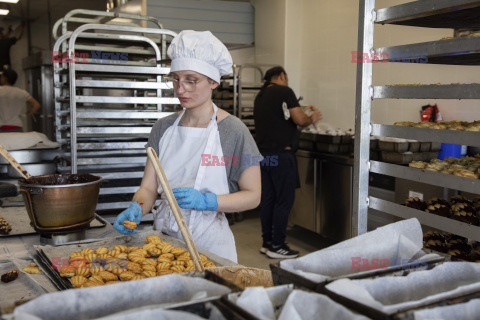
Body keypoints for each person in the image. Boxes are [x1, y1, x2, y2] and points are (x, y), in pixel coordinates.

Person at [113, 30, 262, 263]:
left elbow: (253, 196)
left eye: (191, 80)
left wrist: (208, 202)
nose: (181, 89)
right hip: (164, 240)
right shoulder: (163, 128)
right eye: (176, 79)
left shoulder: (234, 131)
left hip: (212, 244)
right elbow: (149, 189)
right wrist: (137, 207)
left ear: (213, 81)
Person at [254, 66, 322, 259]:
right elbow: (300, 120)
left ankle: (267, 243)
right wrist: (312, 117)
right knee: (284, 201)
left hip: (265, 156)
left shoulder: (260, 96)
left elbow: (281, 118)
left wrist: (301, 110)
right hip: (282, 156)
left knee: (268, 200)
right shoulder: (285, 91)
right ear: (282, 76)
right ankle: (278, 246)